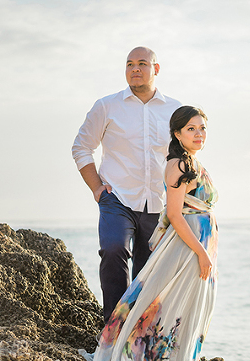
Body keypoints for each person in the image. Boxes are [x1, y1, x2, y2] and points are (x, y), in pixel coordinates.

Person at [91, 106, 219, 361]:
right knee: (166, 309)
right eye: (191, 129)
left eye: (202, 129)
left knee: (186, 309)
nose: (198, 134)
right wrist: (202, 252)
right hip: (186, 249)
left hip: (196, 248)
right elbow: (176, 215)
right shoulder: (177, 165)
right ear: (177, 133)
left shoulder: (194, 164)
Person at [71, 47, 182, 323]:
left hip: (158, 203)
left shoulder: (175, 110)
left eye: (142, 63)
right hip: (116, 198)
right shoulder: (107, 106)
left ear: (156, 69)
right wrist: (97, 188)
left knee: (148, 271)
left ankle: (137, 339)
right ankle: (112, 329)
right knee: (113, 250)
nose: (135, 69)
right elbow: (82, 147)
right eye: (130, 64)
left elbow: (183, 155)